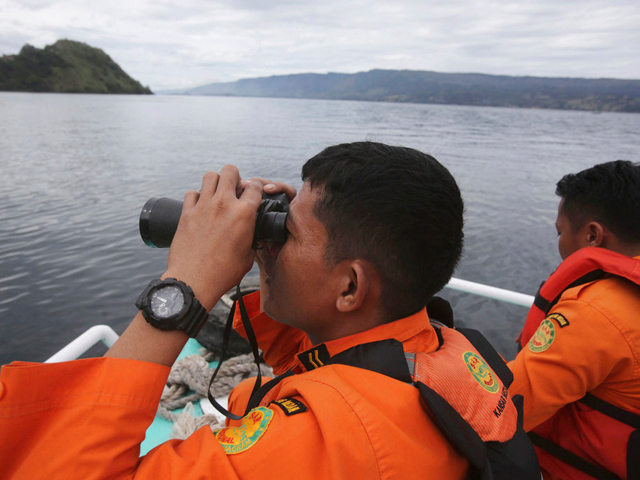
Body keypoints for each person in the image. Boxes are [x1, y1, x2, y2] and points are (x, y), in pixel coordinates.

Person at [0, 141, 537, 479]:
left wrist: (185, 285)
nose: (268, 242)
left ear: (349, 286)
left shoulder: (312, 443)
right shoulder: (430, 344)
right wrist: (260, 242)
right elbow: (310, 347)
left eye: (288, 231)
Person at [509, 160, 640, 480]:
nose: (559, 243)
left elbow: (505, 408)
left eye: (560, 232)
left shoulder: (596, 312)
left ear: (593, 235)